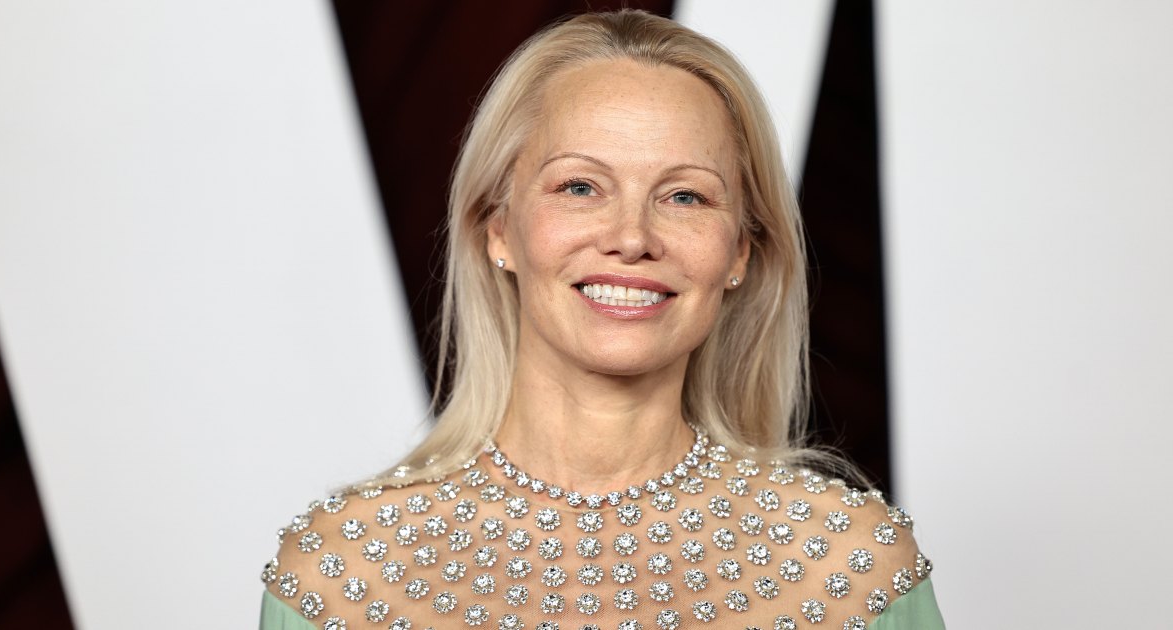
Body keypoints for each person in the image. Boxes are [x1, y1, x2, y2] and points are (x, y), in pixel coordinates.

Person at [259, 10, 943, 630]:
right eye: (580, 186)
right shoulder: (336, 575)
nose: (632, 238)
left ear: (740, 251)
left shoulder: (855, 569)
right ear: (498, 229)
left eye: (685, 196)